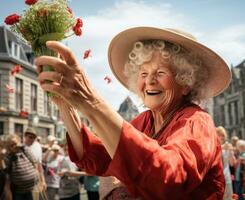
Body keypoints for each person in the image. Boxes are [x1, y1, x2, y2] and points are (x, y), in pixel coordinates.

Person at [35, 26, 231, 199]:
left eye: (161, 73)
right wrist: (65, 103)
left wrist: (91, 100)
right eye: (143, 74)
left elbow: (168, 178)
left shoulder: (196, 121)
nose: (150, 81)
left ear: (186, 83)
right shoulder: (145, 119)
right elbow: (100, 157)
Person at [216, 126, 235, 200]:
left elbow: (232, 163)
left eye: (223, 135)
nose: (221, 137)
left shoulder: (227, 147)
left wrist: (231, 152)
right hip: (217, 179)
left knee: (229, 198)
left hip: (227, 177)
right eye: (219, 135)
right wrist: (222, 147)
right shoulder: (214, 147)